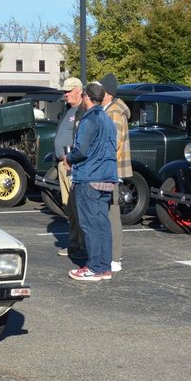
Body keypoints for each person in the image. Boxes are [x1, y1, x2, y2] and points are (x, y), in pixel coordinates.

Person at [64, 81, 117, 281]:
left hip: (90, 177)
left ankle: (94, 267)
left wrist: (69, 158)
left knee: (90, 224)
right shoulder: (108, 119)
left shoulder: (90, 120)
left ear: (86, 97)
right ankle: (104, 267)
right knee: (102, 223)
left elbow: (81, 150)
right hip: (107, 176)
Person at [100, 73, 132, 273]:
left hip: (111, 170)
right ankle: (109, 255)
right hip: (108, 169)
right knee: (107, 212)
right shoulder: (109, 110)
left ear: (108, 94)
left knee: (112, 213)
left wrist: (105, 167)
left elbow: (115, 143)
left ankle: (114, 258)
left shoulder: (114, 113)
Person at [54, 77, 86, 259]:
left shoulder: (83, 111)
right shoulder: (69, 110)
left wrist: (72, 159)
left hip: (73, 165)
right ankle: (74, 243)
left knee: (77, 206)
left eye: (68, 91)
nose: (65, 94)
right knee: (69, 207)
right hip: (62, 165)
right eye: (64, 91)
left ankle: (82, 245)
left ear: (78, 90)